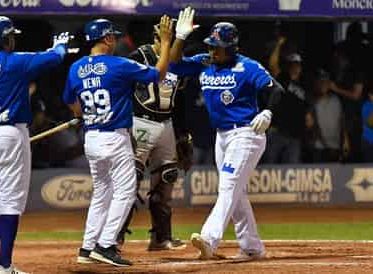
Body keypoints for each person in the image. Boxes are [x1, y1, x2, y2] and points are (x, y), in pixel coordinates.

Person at [169, 7, 283, 261]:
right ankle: (252, 247)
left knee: (229, 185)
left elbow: (276, 90)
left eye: (217, 47)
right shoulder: (205, 63)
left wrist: (267, 113)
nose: (212, 50)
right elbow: (174, 64)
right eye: (210, 45)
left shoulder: (247, 66)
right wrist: (180, 38)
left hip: (246, 133)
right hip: (222, 136)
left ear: (231, 47)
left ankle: (209, 239)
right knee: (237, 192)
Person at [0, 16, 70, 274]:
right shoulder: (17, 61)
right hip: (10, 133)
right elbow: (55, 58)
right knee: (10, 201)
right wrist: (61, 45)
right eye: (10, 35)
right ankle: (6, 266)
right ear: (5, 38)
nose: (13, 39)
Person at [63, 16, 173, 266]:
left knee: (102, 193)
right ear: (107, 38)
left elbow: (72, 104)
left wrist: (85, 114)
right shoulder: (118, 64)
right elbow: (158, 74)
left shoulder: (76, 67)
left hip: (91, 138)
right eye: (113, 35)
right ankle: (106, 245)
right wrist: (166, 43)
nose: (116, 39)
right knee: (124, 191)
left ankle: (87, 248)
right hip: (114, 137)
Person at [116, 21, 192, 251]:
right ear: (156, 38)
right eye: (165, 38)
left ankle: (160, 237)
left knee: (167, 179)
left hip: (166, 123)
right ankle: (115, 237)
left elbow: (180, 103)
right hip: (139, 121)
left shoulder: (178, 62)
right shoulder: (138, 56)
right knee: (130, 181)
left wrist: (182, 134)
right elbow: (122, 89)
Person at [263, 53, 307, 163]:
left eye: (297, 65)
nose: (295, 68)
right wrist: (279, 44)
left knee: (291, 172)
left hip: (294, 135)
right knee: (270, 169)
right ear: (288, 67)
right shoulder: (281, 79)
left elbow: (306, 110)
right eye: (292, 65)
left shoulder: (304, 85)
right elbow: (273, 65)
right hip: (276, 132)